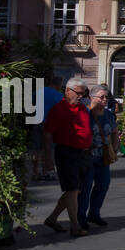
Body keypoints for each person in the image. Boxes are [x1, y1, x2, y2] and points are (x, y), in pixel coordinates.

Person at [42, 78, 100, 236]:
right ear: (68, 91)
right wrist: (47, 159)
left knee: (74, 191)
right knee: (73, 189)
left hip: (84, 153)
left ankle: (53, 218)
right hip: (67, 153)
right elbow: (48, 135)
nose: (82, 96)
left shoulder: (82, 108)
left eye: (84, 93)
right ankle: (75, 226)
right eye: (79, 93)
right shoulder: (58, 109)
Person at [78, 85, 118, 227]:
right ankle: (81, 216)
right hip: (88, 157)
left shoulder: (107, 114)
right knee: (86, 187)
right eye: (102, 97)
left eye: (106, 97)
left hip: (103, 157)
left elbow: (114, 131)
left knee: (103, 185)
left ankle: (95, 213)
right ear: (92, 98)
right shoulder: (85, 113)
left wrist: (115, 147)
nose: (105, 99)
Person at [34, 76, 65, 180]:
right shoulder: (59, 96)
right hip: (50, 124)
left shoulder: (40, 91)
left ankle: (35, 172)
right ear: (59, 85)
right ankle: (46, 171)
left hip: (37, 121)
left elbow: (32, 103)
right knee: (48, 148)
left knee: (37, 149)